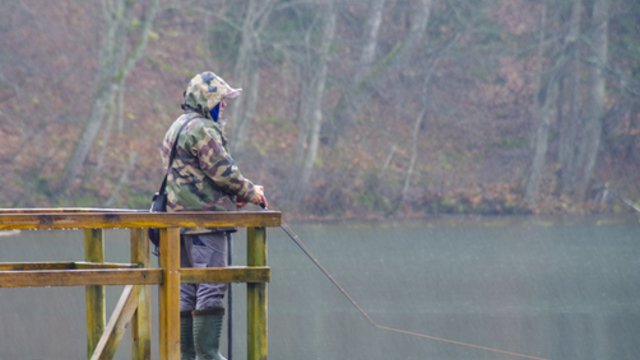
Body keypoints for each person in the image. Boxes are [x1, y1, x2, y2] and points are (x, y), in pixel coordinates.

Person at [161, 71, 268, 360]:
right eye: (222, 99)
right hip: (204, 223)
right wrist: (250, 192)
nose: (225, 105)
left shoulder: (177, 127)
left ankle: (187, 355)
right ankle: (208, 354)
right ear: (208, 101)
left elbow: (193, 175)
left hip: (176, 224)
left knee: (186, 285)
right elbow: (223, 171)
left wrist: (233, 196)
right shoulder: (204, 129)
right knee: (211, 283)